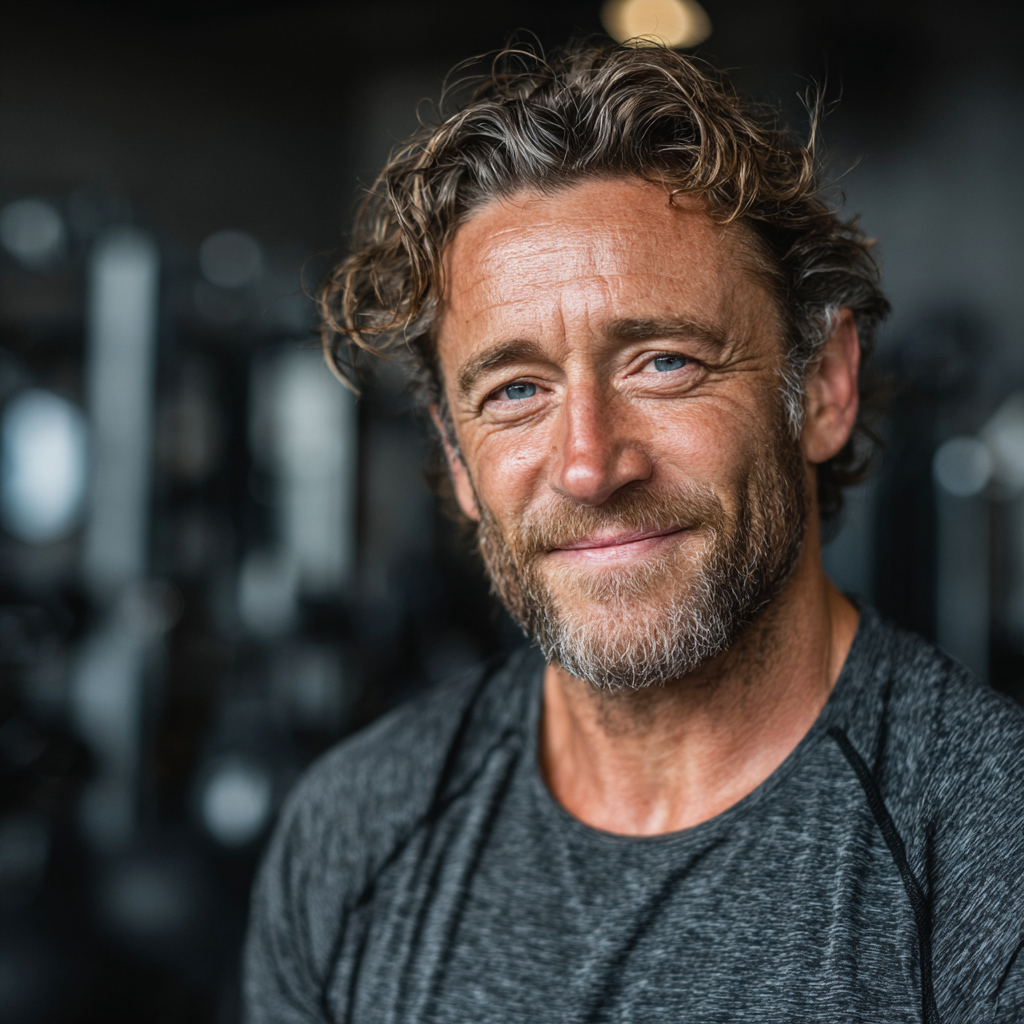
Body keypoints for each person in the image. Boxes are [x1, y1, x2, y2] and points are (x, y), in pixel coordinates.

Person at [243, 43, 1024, 1023]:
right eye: (515, 390)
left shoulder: (990, 849)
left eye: (663, 362)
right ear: (454, 455)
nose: (588, 464)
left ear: (824, 387)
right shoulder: (352, 831)